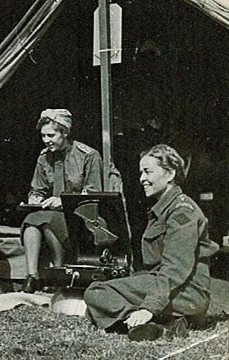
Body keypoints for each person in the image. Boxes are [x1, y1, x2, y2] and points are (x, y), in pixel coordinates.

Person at [84, 144, 219, 341]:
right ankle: (170, 322)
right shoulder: (163, 208)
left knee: (96, 291)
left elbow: (175, 268)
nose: (142, 179)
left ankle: (150, 322)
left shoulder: (181, 211)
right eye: (141, 172)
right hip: (172, 288)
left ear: (170, 173)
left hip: (187, 292)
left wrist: (149, 307)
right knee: (99, 299)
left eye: (148, 172)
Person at [20, 109, 103, 293]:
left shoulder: (88, 156)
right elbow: (37, 188)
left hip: (81, 219)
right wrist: (35, 197)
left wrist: (63, 202)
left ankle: (59, 272)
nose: (46, 140)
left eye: (51, 135)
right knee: (32, 221)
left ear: (65, 132)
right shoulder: (44, 158)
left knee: (47, 219)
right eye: (43, 136)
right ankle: (31, 276)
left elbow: (94, 194)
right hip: (53, 216)